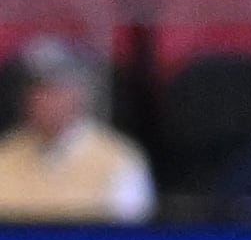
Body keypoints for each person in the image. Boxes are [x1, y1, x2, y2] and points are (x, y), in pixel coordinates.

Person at [0, 40, 154, 223]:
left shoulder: (119, 159)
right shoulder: (5, 155)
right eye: (36, 91)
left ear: (79, 94)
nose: (43, 100)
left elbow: (132, 237)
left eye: (54, 91)